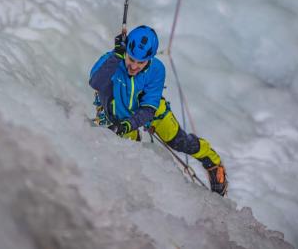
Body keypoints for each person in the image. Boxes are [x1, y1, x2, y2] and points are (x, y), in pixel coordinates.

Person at [89, 25, 228, 196]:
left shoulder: (157, 70)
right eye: (131, 59)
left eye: (140, 62)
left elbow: (148, 109)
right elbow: (95, 82)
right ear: (125, 51)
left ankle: (212, 161)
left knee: (178, 141)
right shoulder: (111, 61)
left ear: (150, 59)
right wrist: (116, 57)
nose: (134, 66)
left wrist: (128, 125)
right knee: (127, 161)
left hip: (147, 112)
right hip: (116, 114)